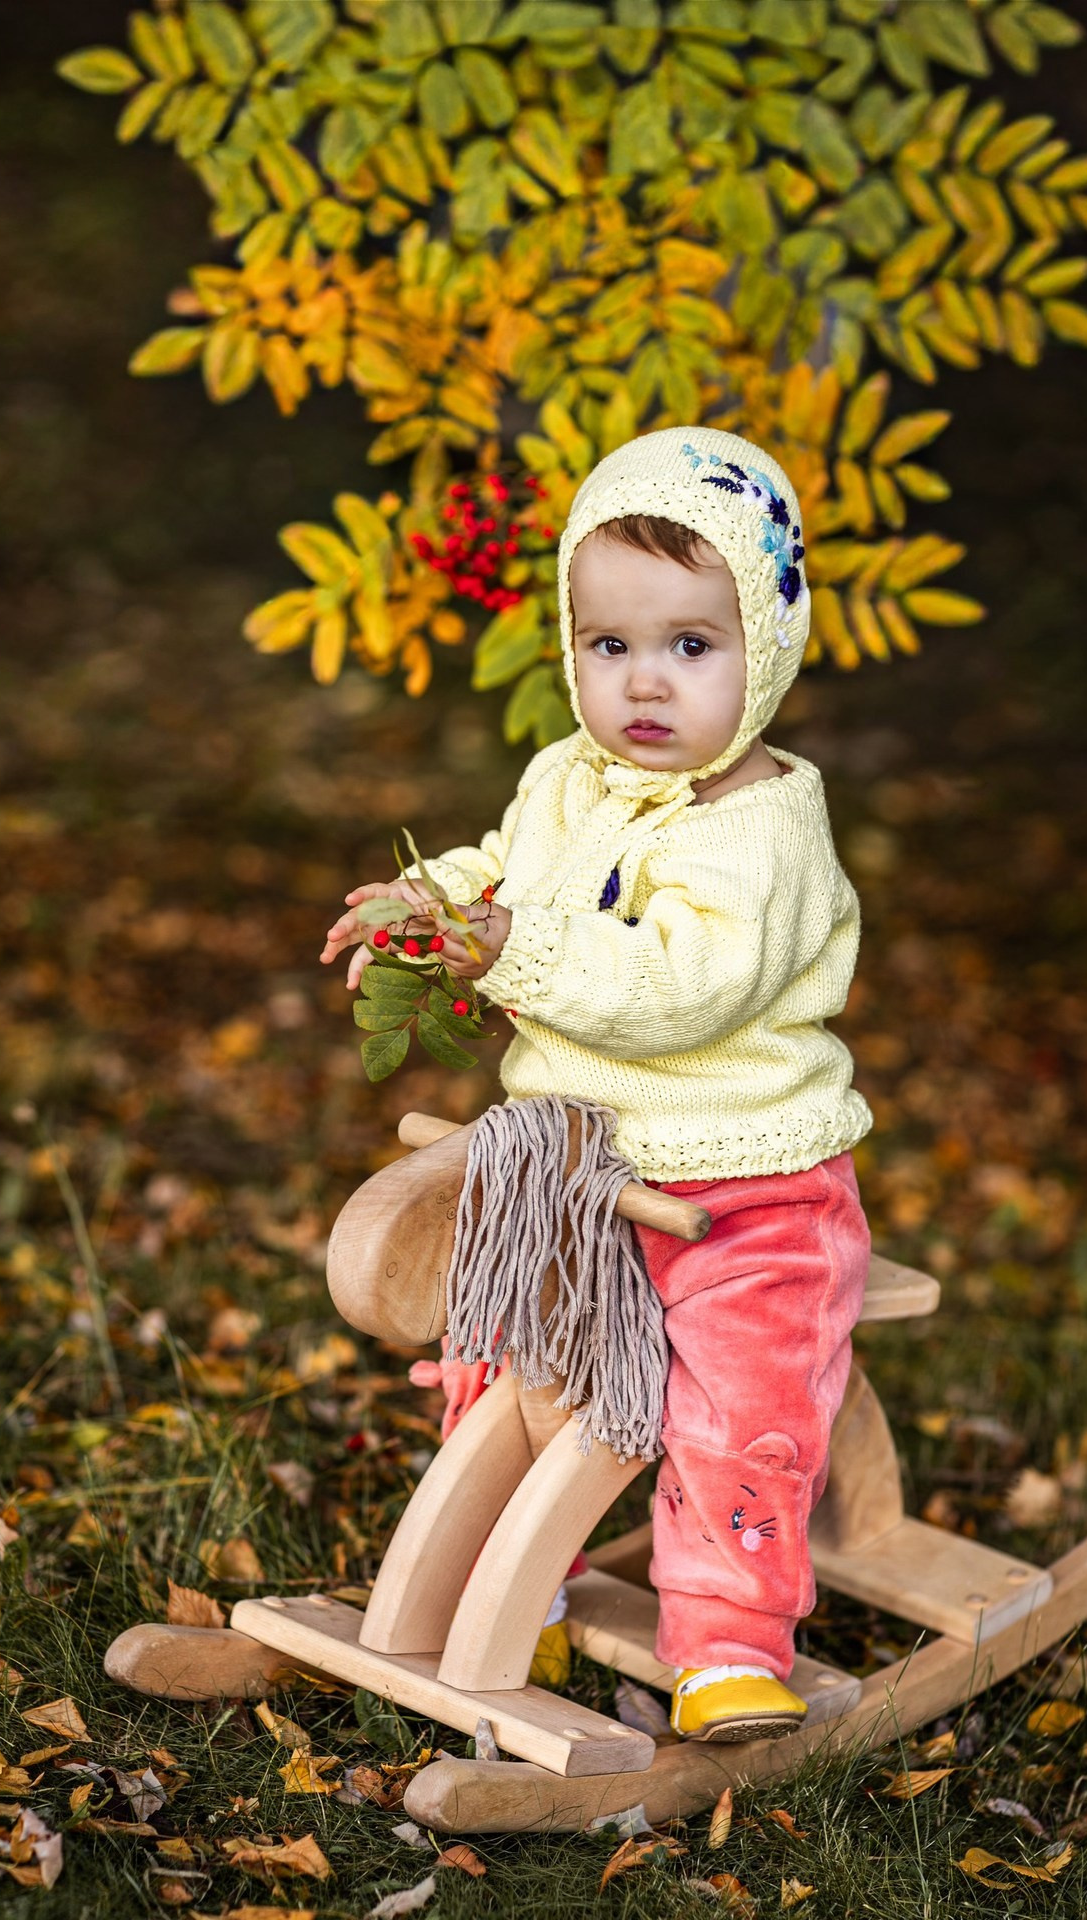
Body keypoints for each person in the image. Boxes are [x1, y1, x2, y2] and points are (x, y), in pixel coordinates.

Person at [320, 427, 873, 1742]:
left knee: (741, 1407)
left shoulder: (768, 832)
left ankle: (730, 1640)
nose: (644, 682)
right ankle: (536, 1583)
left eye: (692, 645)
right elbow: (515, 865)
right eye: (607, 644)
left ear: (768, 648)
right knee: (503, 1350)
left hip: (747, 1186)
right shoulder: (572, 778)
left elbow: (686, 988)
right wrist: (438, 899)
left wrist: (519, 948)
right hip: (575, 1171)